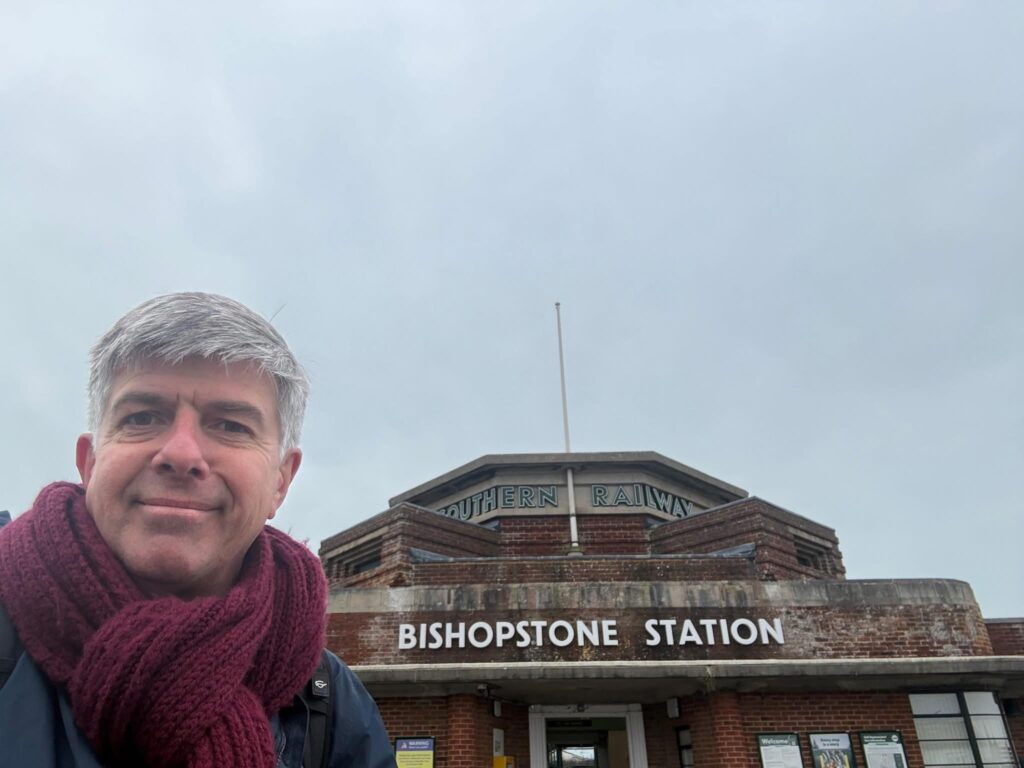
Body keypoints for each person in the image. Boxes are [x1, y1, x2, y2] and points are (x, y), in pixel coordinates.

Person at [0, 292, 396, 768]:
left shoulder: (331, 702)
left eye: (230, 425)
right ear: (89, 463)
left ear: (280, 482)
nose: (181, 454)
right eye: (142, 418)